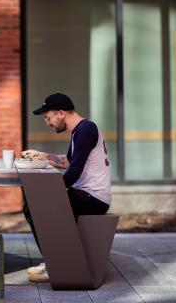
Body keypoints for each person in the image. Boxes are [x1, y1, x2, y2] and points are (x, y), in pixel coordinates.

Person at [23, 92, 111, 283]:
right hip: (84, 194)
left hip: (92, 197)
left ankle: (56, 264)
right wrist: (43, 155)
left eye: (48, 117)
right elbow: (69, 162)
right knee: (33, 204)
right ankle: (54, 260)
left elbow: (74, 173)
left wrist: (49, 192)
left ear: (61, 113)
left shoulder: (86, 129)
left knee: (36, 205)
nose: (47, 122)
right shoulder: (79, 131)